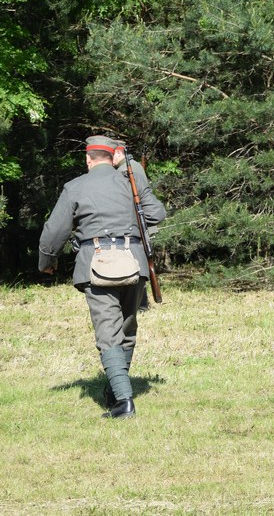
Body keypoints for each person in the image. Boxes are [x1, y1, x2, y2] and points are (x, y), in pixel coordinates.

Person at [38, 135, 166, 419]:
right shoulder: (130, 183)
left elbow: (54, 232)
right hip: (134, 264)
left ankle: (124, 402)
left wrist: (47, 262)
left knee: (108, 334)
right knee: (127, 330)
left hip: (97, 266)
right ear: (113, 157)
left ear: (88, 159)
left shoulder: (75, 187)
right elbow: (157, 213)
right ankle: (115, 389)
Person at [112, 140, 154, 311]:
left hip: (135, 223)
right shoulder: (135, 166)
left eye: (112, 154)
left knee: (136, 264)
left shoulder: (124, 171)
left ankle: (140, 304)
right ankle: (141, 303)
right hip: (142, 222)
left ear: (119, 153)